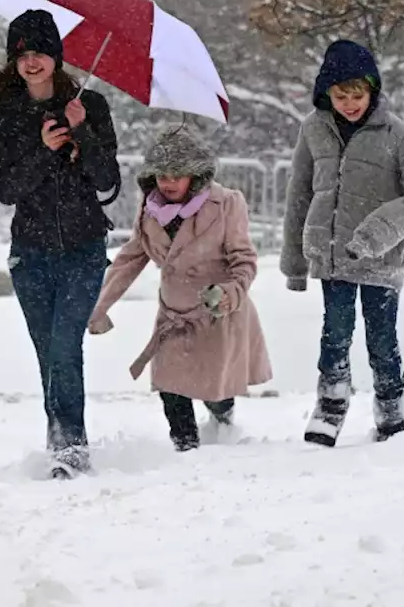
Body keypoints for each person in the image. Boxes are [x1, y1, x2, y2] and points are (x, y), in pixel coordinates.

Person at [0, 8, 120, 478]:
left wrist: (82, 132)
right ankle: (60, 439)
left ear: (56, 56)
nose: (32, 61)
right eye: (22, 53)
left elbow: (109, 183)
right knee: (49, 353)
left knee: (66, 345)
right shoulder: (5, 116)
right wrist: (44, 151)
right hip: (32, 252)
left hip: (85, 248)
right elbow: (7, 189)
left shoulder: (92, 106)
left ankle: (71, 447)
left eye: (40, 51)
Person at [281, 39, 404, 446]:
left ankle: (390, 405)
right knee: (334, 333)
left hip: (381, 258)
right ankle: (331, 404)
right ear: (326, 94)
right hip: (332, 255)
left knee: (381, 337)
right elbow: (299, 193)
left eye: (358, 95)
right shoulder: (313, 130)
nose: (350, 103)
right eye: (340, 95)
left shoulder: (399, 135)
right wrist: (295, 262)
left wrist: (377, 232)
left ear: (373, 91)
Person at [88, 126, 272, 451]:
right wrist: (99, 305)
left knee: (215, 392)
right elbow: (131, 257)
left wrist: (229, 292)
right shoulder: (149, 209)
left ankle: (223, 418)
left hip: (217, 314)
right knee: (170, 385)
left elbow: (244, 261)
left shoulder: (227, 204)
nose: (169, 182)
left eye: (178, 174)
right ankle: (185, 449)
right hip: (173, 315)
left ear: (196, 175)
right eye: (161, 175)